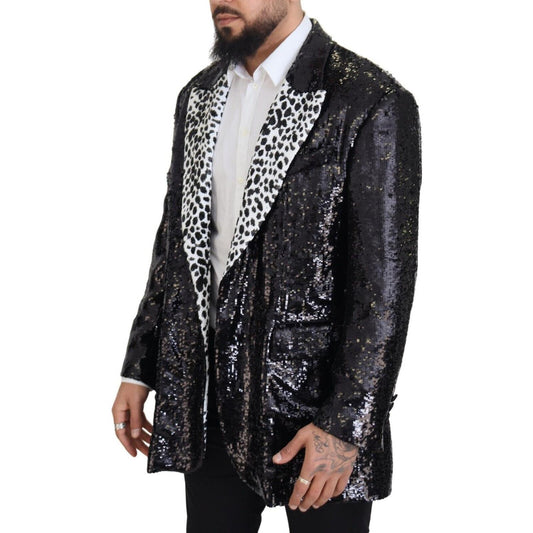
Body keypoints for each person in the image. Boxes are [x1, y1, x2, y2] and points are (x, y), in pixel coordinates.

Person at [112, 1, 422, 532]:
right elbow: (176, 240)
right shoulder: (199, 96)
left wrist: (346, 424)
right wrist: (139, 366)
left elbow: (385, 286)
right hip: (212, 397)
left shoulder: (367, 99)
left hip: (317, 409)